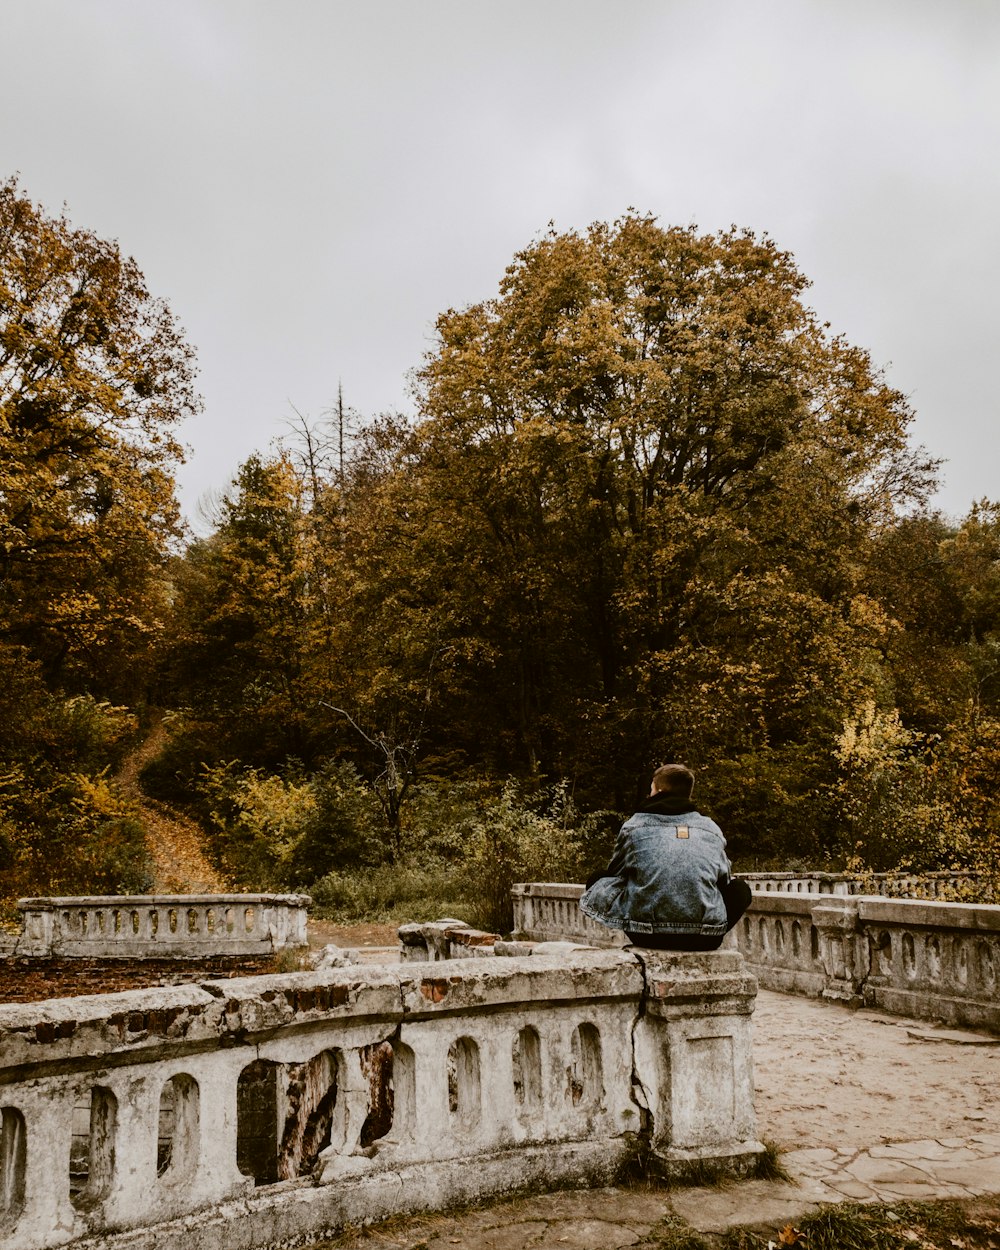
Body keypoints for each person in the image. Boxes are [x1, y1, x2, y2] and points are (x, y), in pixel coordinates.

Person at [579, 763, 751, 951]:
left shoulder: (634, 826)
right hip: (704, 939)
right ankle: (705, 930)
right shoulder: (711, 829)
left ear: (658, 790)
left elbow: (616, 873)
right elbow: (724, 880)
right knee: (740, 889)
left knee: (598, 878)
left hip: (648, 935)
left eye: (651, 789)